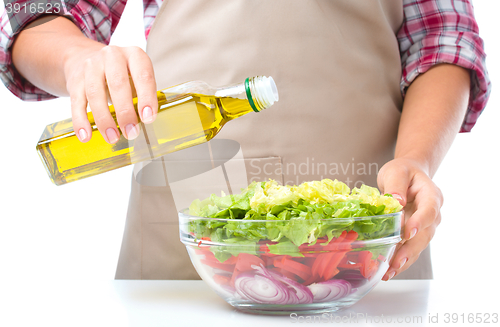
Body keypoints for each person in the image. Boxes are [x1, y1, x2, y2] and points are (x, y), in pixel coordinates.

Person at [0, 0, 490, 281]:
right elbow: (34, 15)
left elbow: (444, 43)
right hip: (182, 242)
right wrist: (77, 57)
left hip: (362, 248)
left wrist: (414, 160)